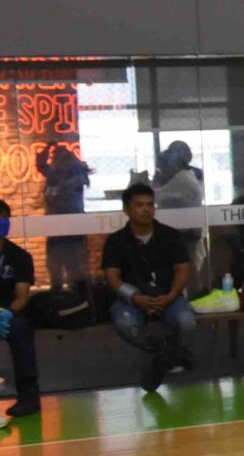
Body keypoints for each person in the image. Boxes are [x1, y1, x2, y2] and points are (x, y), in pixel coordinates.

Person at [102, 183, 195, 392]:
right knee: (125, 323)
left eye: (150, 205)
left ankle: (165, 358)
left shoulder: (170, 235)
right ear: (126, 209)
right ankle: (168, 352)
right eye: (139, 205)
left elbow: (182, 269)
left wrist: (171, 295)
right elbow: (112, 277)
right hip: (131, 300)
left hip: (168, 296)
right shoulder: (116, 241)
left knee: (186, 321)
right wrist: (135, 298)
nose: (146, 209)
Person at [152, 140, 209, 289]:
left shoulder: (182, 179)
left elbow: (156, 197)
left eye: (163, 166)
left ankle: (192, 296)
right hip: (184, 228)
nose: (162, 169)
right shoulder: (183, 176)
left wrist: (155, 184)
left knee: (188, 269)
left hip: (186, 231)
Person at [1, 199, 37, 426]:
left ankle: (29, 396)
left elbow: (22, 297)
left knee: (20, 327)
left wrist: (3, 312)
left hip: (8, 311)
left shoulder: (20, 257)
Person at [38, 141, 91, 289]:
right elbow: (41, 165)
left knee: (73, 268)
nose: (53, 161)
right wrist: (48, 148)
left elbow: (65, 197)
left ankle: (75, 300)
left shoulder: (73, 175)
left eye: (55, 157)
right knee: (56, 269)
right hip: (56, 229)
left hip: (71, 229)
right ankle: (59, 297)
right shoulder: (56, 175)